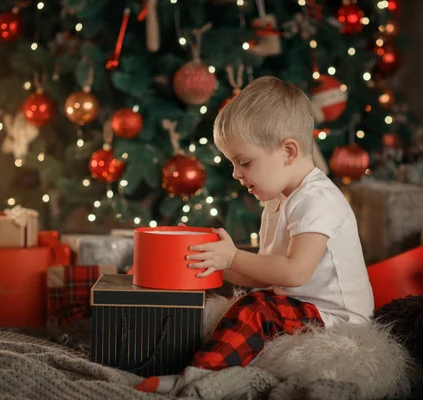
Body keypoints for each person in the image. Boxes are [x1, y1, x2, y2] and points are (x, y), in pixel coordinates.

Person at [136, 76, 374, 393]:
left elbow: (295, 272)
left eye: (244, 162)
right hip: (298, 305)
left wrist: (233, 256)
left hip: (338, 320)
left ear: (289, 151)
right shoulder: (277, 201)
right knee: (248, 303)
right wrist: (211, 259)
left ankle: (194, 380)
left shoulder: (317, 199)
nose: (236, 173)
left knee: (257, 309)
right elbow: (264, 274)